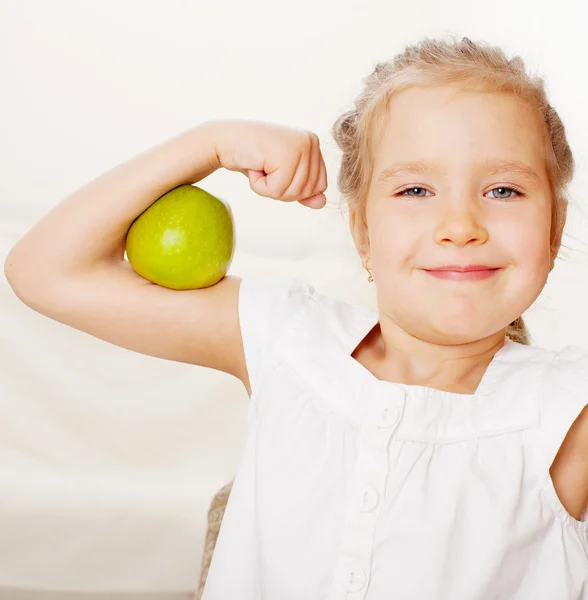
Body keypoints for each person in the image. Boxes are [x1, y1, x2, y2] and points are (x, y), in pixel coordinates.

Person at [4, 35, 588, 599]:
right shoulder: (289, 338)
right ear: (361, 230)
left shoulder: (567, 409)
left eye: (505, 191)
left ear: (555, 226)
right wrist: (211, 143)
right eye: (414, 189)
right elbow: (46, 271)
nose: (460, 225)